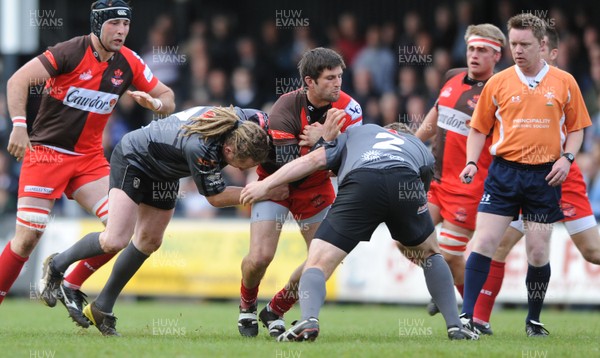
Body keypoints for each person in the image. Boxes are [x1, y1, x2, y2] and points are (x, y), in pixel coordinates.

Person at [0, 0, 175, 326]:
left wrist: (156, 102)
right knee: (27, 238)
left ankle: (70, 282)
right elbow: (17, 81)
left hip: (89, 161)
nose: (121, 31)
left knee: (122, 232)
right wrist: (20, 125)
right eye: (113, 24)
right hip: (47, 154)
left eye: (125, 25)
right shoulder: (69, 51)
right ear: (97, 25)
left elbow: (168, 97)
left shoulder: (128, 62)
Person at [45, 106, 285, 336]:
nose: (246, 170)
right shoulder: (201, 148)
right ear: (230, 152)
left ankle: (102, 307)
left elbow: (280, 125)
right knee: (115, 239)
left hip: (166, 168)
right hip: (135, 158)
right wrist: (264, 191)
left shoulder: (250, 122)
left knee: (149, 241)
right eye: (244, 166)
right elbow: (216, 197)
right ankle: (57, 265)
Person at [240, 115, 479, 342]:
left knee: (317, 262)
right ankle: (455, 327)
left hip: (362, 183)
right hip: (405, 182)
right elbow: (424, 179)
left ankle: (308, 320)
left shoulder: (356, 133)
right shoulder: (415, 144)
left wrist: (267, 184)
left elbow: (313, 161)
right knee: (430, 254)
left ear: (386, 129)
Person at [458, 13, 591, 337]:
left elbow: (576, 129)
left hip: (544, 176)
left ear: (542, 45)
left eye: (525, 44)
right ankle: (466, 318)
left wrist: (567, 158)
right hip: (504, 173)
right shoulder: (499, 82)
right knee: (486, 241)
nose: (517, 50)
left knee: (537, 251)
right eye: (513, 43)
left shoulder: (564, 82)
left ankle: (533, 319)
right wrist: (472, 162)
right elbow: (478, 129)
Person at [237, 47, 362, 338]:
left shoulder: (351, 109)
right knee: (260, 258)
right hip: (274, 184)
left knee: (326, 258)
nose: (337, 83)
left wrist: (326, 140)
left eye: (340, 76)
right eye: (330, 78)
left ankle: (275, 310)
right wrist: (329, 144)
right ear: (309, 82)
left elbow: (355, 159)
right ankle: (247, 304)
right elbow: (290, 167)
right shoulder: (285, 108)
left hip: (316, 186)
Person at [413, 24, 506, 317]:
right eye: (471, 49)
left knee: (452, 255)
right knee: (408, 239)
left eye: (483, 50)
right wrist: (410, 146)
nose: (475, 55)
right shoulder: (452, 77)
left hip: (470, 187)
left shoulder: (500, 91)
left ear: (496, 55)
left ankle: (472, 315)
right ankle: (448, 288)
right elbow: (436, 116)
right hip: (438, 183)